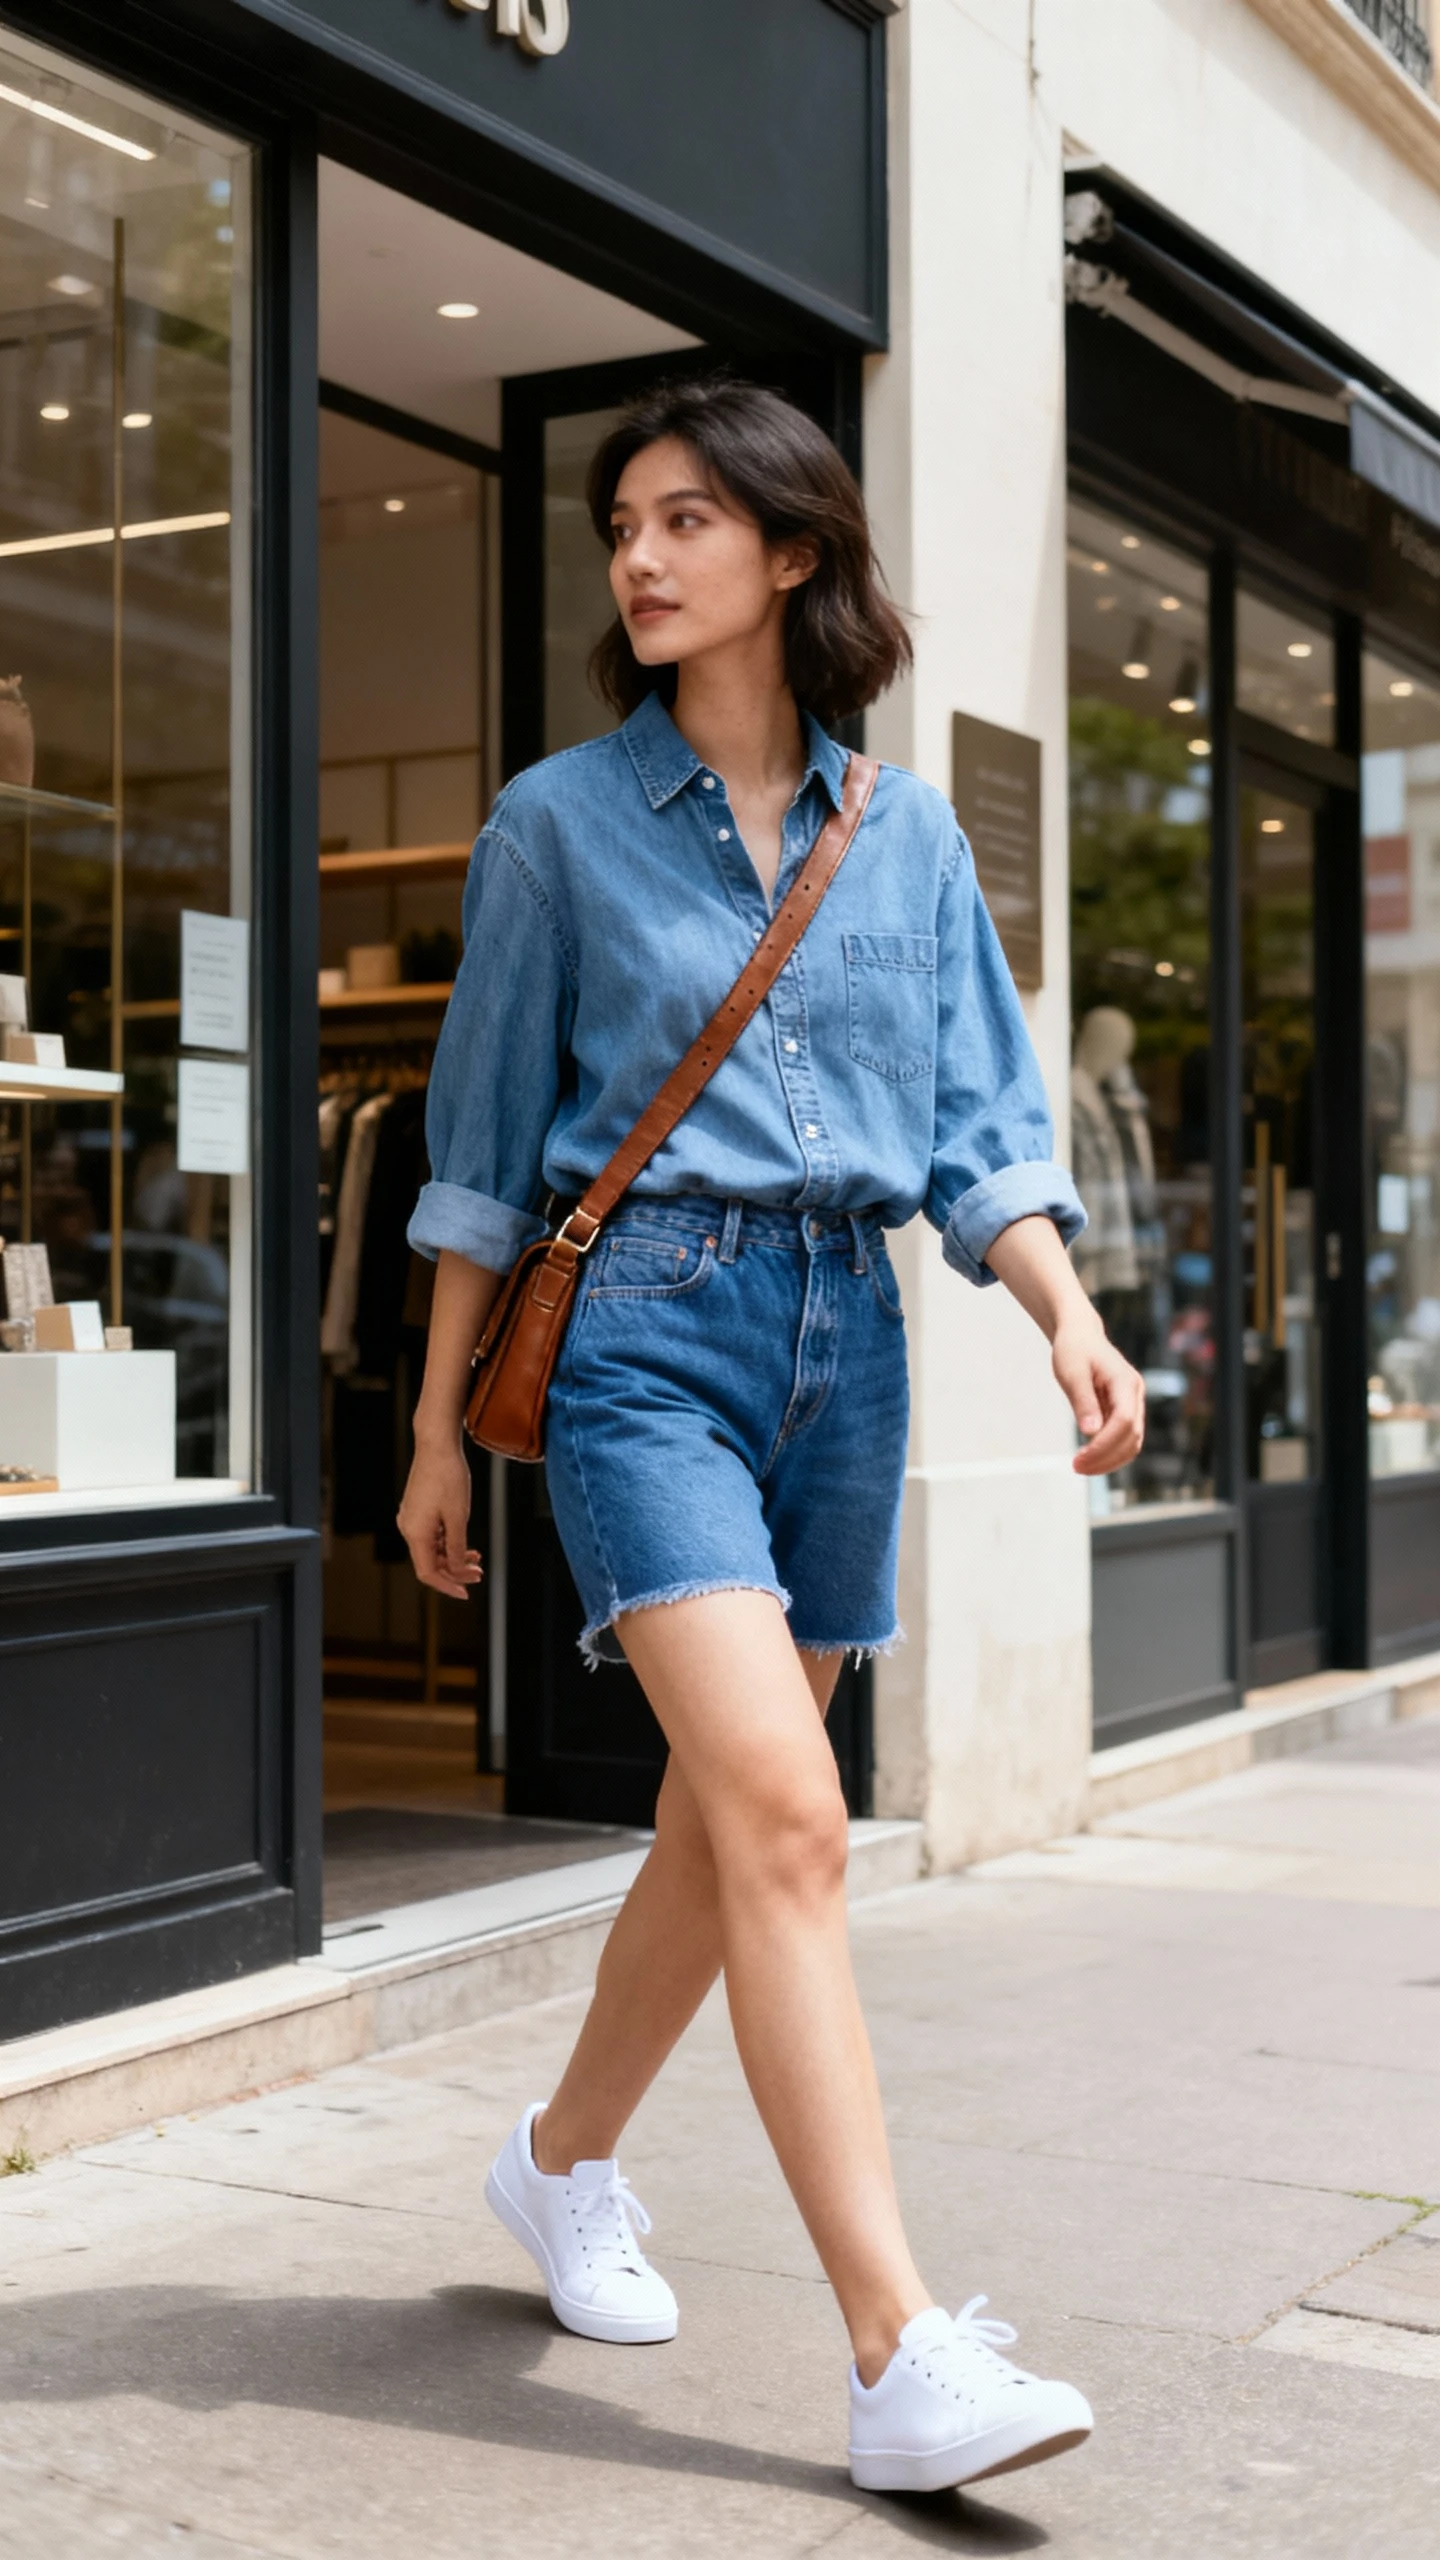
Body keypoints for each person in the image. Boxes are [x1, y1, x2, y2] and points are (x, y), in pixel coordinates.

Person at [398, 375, 1144, 2497]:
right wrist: (446, 1432)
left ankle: (560, 2160)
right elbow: (471, 1161)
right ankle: (900, 2346)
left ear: (793, 552)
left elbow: (984, 1126)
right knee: (797, 1819)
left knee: (724, 1837)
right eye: (622, 522)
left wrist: (1071, 1319)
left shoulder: (901, 834)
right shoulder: (554, 823)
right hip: (641, 1337)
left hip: (851, 1347)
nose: (638, 555)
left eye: (685, 519)